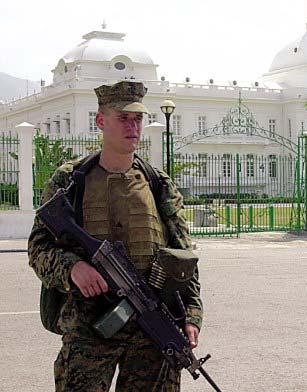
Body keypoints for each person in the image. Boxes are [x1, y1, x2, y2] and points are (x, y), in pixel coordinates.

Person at [28, 81, 203, 392]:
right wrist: (72, 268)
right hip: (88, 326)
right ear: (100, 121)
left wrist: (191, 315)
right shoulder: (71, 180)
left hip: (151, 329)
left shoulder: (157, 184)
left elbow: (184, 258)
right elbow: (39, 247)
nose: (132, 126)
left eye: (137, 119)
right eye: (123, 118)